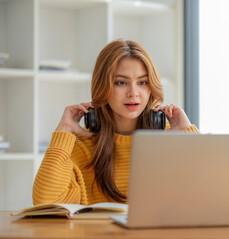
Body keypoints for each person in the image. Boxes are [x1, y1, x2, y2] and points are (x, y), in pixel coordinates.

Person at [32, 39, 198, 205]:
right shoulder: (79, 146)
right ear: (102, 87)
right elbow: (46, 203)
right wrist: (65, 130)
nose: (133, 93)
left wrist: (187, 135)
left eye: (142, 82)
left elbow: (209, 195)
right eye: (121, 82)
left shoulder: (171, 137)